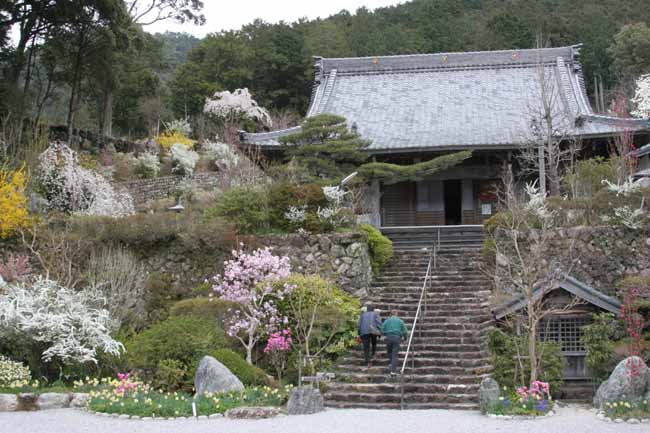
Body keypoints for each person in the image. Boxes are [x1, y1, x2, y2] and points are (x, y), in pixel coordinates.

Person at [381, 309, 408, 376]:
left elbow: (382, 329)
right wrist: (405, 338)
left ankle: (391, 363)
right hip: (396, 338)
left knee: (389, 351)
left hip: (388, 337)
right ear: (396, 314)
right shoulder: (400, 321)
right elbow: (405, 331)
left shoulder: (387, 321)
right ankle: (393, 371)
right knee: (394, 354)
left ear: (391, 314)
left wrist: (384, 334)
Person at [358, 303, 382, 369]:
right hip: (373, 331)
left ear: (367, 309)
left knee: (366, 347)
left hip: (364, 331)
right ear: (373, 309)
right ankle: (373, 354)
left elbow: (359, 325)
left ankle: (368, 361)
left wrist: (359, 333)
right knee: (374, 342)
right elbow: (379, 323)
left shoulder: (362, 315)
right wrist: (380, 332)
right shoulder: (376, 314)